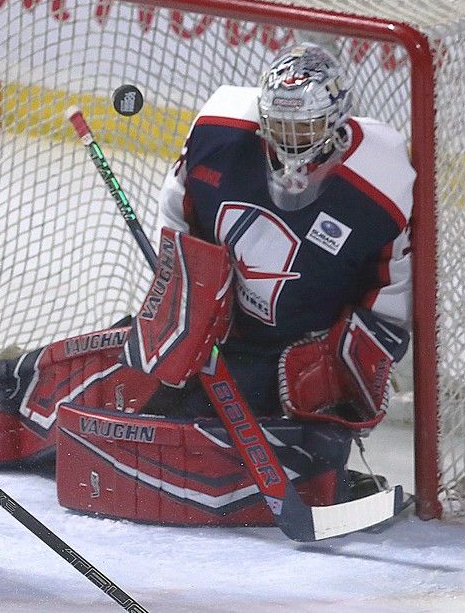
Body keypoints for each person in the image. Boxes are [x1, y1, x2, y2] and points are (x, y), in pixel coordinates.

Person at [130, 41, 413, 492]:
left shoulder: (379, 184)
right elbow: (177, 220)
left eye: (304, 126)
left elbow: (392, 296)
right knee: (150, 401)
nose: (289, 138)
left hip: (304, 350)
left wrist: (345, 363)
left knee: (310, 448)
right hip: (223, 336)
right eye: (278, 124)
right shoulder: (219, 137)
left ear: (336, 119)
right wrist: (187, 302)